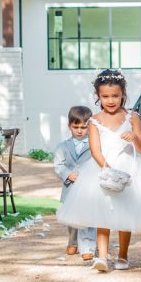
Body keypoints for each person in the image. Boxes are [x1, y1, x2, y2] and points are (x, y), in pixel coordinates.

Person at [56, 70, 141, 272]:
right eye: (105, 96)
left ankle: (123, 255)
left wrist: (133, 138)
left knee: (124, 212)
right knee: (103, 213)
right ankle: (101, 257)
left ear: (123, 94)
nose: (110, 100)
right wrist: (106, 168)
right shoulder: (94, 120)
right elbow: (95, 149)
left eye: (115, 96)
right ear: (98, 96)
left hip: (129, 169)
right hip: (103, 169)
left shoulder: (132, 116)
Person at [52, 105, 97, 262]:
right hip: (70, 187)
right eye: (75, 127)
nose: (79, 131)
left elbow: (97, 163)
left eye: (84, 127)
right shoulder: (62, 147)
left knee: (89, 217)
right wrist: (67, 174)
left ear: (89, 126)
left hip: (88, 188)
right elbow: (58, 165)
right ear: (69, 126)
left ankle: (88, 247)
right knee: (71, 218)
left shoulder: (95, 145)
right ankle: (73, 242)